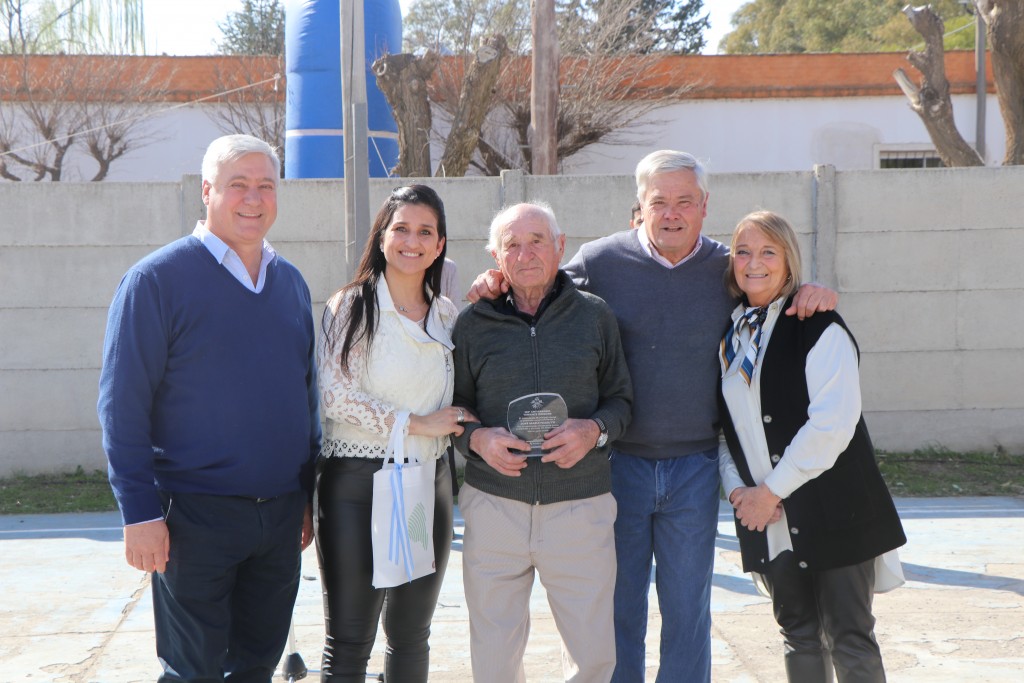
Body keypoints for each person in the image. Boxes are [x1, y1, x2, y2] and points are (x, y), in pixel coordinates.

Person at [467, 150, 837, 682]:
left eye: (685, 201)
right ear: (639, 205)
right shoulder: (600, 262)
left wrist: (810, 290)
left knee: (688, 609)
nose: (672, 213)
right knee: (617, 609)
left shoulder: (726, 268)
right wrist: (491, 279)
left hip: (695, 465)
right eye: (659, 201)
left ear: (704, 206)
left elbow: (771, 285)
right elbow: (534, 280)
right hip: (617, 465)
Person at [97, 134, 320, 681]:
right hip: (194, 516)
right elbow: (122, 405)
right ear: (206, 191)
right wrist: (140, 513)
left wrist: (306, 496)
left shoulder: (290, 282)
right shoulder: (156, 281)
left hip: (280, 517)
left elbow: (306, 396)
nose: (253, 198)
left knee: (256, 667)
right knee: (192, 671)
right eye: (237, 184)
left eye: (265, 185)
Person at [718, 211, 906, 682]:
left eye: (768, 251)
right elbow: (725, 431)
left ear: (789, 261)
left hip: (834, 510)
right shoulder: (731, 336)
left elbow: (832, 426)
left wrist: (770, 492)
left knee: (850, 636)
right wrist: (740, 493)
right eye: (743, 251)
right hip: (768, 519)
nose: (753, 263)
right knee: (798, 635)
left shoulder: (820, 327)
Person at [452, 202, 633, 683]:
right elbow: (454, 407)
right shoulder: (472, 324)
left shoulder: (595, 316)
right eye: (512, 244)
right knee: (493, 659)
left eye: (537, 241)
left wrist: (592, 431)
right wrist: (477, 439)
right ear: (495, 256)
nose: (525, 253)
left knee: (593, 657)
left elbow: (621, 402)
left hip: (580, 507)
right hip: (495, 506)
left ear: (560, 246)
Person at [315, 184, 473, 682]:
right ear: (381, 237)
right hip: (357, 485)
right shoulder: (351, 306)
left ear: (440, 244)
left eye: (426, 232)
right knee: (350, 641)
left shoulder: (447, 313)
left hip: (428, 482)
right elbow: (334, 396)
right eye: (401, 229)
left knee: (410, 635)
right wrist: (416, 423)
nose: (412, 241)